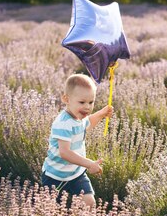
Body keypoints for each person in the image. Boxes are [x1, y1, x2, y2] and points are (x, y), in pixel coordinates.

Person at [41, 74, 113, 207]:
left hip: (76, 174)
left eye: (91, 102)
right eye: (82, 102)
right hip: (55, 176)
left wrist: (101, 114)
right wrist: (89, 164)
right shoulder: (63, 123)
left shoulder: (79, 118)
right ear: (66, 99)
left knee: (89, 202)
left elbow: (88, 123)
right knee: (49, 209)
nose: (87, 107)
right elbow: (65, 153)